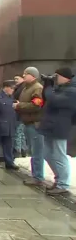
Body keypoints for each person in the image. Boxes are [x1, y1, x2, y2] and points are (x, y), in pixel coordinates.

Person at [38, 67, 76, 195]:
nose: (56, 78)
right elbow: (46, 98)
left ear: (65, 77)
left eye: (57, 76)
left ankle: (63, 184)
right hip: (50, 125)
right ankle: (58, 178)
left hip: (60, 127)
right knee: (47, 154)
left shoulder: (72, 91)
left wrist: (49, 88)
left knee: (60, 156)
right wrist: (47, 85)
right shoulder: (60, 89)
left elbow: (54, 101)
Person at [14, 67, 45, 186]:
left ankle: (38, 177)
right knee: (33, 150)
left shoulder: (37, 88)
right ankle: (36, 175)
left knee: (37, 151)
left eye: (26, 74)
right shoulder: (26, 88)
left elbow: (36, 105)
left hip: (35, 124)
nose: (24, 75)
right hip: (27, 123)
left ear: (33, 76)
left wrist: (19, 106)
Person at [13, 74, 27, 157]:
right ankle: (23, 150)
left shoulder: (23, 88)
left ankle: (18, 150)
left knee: (18, 132)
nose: (15, 80)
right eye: (14, 78)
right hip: (19, 112)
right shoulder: (19, 87)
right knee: (21, 132)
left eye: (17, 78)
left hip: (20, 113)